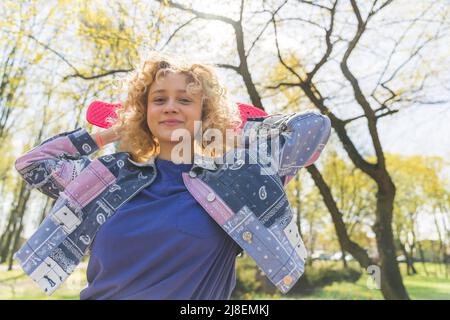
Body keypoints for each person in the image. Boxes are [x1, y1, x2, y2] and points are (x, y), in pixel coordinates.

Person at [13, 52, 331, 300]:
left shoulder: (235, 183)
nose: (170, 107)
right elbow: (33, 163)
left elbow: (313, 129)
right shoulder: (108, 178)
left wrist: (226, 132)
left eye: (185, 100)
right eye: (159, 99)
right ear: (144, 112)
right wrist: (108, 135)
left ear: (205, 112)